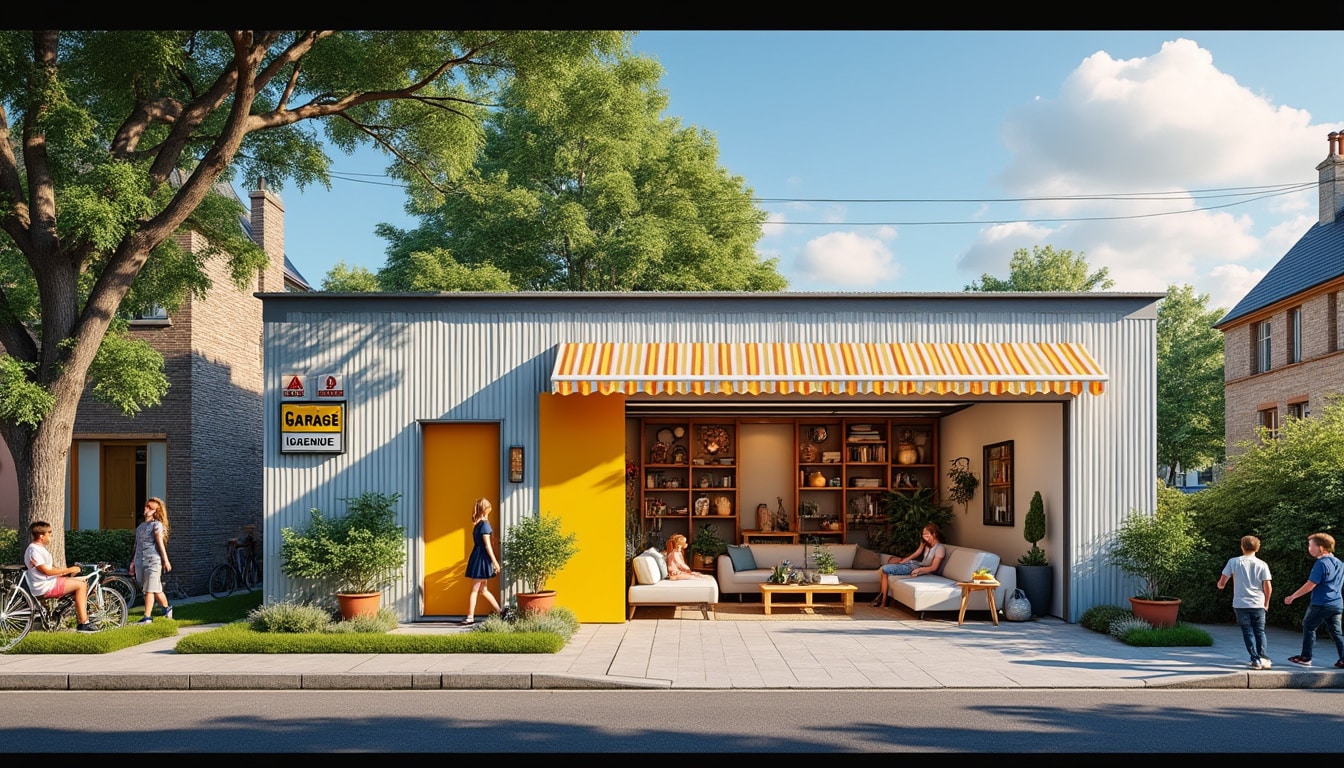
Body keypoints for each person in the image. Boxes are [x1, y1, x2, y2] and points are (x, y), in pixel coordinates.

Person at [23, 521, 98, 632]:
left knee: (84, 582)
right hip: (44, 586)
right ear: (41, 536)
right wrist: (68, 570)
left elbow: (49, 569)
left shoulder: (38, 549)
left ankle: (64, 610)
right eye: (49, 533)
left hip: (48, 582)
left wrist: (67, 573)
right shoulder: (34, 550)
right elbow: (46, 571)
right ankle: (83, 623)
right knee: (81, 586)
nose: (51, 536)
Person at [1284, 532, 1344, 668]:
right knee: (1336, 633)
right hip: (1337, 603)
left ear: (1321, 548)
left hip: (1321, 603)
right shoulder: (1340, 563)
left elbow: (1311, 584)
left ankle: (1306, 657)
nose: (1309, 548)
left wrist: (1293, 596)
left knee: (1309, 626)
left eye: (1311, 545)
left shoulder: (1321, 563)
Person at [1217, 534, 1272, 669]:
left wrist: (1221, 586)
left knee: (1247, 631)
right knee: (1260, 631)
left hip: (1240, 603)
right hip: (1258, 602)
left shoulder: (1234, 562)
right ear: (1257, 548)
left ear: (1242, 547)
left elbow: (1222, 581)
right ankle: (1264, 657)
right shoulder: (1262, 564)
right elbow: (1268, 587)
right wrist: (1266, 603)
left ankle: (1255, 659)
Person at [871, 523, 946, 608]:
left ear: (934, 535)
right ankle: (882, 598)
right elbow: (917, 553)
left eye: (926, 534)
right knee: (894, 561)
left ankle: (884, 601)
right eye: (923, 534)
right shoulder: (926, 544)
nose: (924, 536)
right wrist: (906, 560)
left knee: (885, 569)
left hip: (918, 568)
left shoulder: (940, 549)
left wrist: (918, 570)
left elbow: (934, 567)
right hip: (915, 564)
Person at [129, 497, 173, 624]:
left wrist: (165, 560)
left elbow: (160, 543)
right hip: (140, 560)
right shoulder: (140, 527)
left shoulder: (157, 525)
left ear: (155, 512)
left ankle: (147, 617)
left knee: (149, 589)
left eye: (150, 508)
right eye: (146, 507)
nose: (146, 510)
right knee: (154, 588)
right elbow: (137, 546)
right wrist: (133, 562)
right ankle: (167, 608)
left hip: (153, 561)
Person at [461, 498, 503, 626]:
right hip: (481, 559)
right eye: (488, 507)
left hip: (478, 557)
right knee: (476, 590)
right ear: (485, 509)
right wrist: (495, 562)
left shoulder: (478, 524)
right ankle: (470, 617)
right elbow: (487, 545)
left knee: (483, 590)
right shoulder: (485, 525)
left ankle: (500, 611)